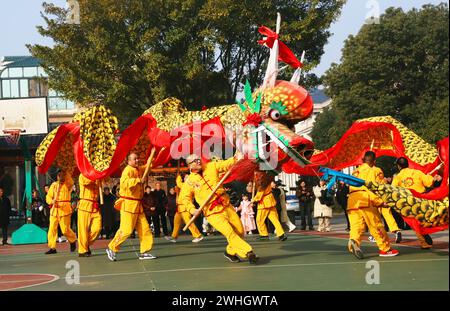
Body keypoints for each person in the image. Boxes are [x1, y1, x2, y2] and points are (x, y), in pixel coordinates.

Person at [178, 153, 259, 263]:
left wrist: (236, 159)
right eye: (195, 161)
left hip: (225, 205)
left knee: (240, 231)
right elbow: (185, 199)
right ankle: (248, 252)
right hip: (212, 212)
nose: (199, 161)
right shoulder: (190, 182)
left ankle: (229, 252)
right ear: (190, 166)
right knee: (229, 233)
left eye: (199, 159)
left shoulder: (211, 166)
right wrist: (192, 210)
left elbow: (225, 165)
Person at [347, 151, 399, 259]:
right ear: (374, 161)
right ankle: (385, 249)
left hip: (352, 201)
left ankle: (354, 242)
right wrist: (380, 202)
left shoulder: (356, 171)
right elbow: (377, 188)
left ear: (363, 160)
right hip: (366, 199)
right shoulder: (375, 170)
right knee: (376, 225)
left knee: (356, 227)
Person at [106, 153, 155, 261]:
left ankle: (144, 251)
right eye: (135, 159)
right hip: (129, 205)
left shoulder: (137, 169)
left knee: (145, 229)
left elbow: (146, 167)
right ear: (128, 161)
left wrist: (152, 158)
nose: (137, 160)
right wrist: (137, 180)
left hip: (137, 206)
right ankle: (112, 247)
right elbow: (124, 183)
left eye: (137, 158)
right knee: (126, 230)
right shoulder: (127, 170)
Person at [392, 157, 443, 249]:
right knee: (423, 220)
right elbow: (429, 183)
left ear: (399, 166)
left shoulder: (398, 177)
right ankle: (425, 235)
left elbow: (393, 191)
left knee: (415, 223)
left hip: (409, 203)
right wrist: (436, 178)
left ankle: (424, 242)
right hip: (422, 200)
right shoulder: (417, 172)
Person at [44, 170, 77, 254]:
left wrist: (66, 170)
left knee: (65, 230)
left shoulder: (68, 184)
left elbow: (71, 181)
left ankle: (72, 240)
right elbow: (48, 196)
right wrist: (51, 201)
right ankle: (52, 247)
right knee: (52, 229)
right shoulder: (54, 185)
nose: (60, 176)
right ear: (57, 176)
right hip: (54, 210)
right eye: (59, 175)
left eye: (62, 175)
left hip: (65, 210)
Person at [166, 174, 203, 243]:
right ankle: (174, 236)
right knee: (176, 221)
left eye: (187, 177)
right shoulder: (184, 185)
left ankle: (198, 235)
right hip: (180, 207)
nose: (185, 178)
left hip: (185, 206)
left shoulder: (190, 185)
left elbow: (179, 183)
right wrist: (178, 176)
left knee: (188, 222)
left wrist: (178, 176)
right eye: (185, 177)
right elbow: (179, 183)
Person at [77, 174, 103, 257]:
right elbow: (86, 182)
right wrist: (96, 176)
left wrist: (102, 174)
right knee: (83, 229)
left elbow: (107, 180)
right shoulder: (83, 175)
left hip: (94, 205)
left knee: (97, 228)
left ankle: (86, 244)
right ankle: (82, 250)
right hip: (85, 205)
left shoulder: (97, 174)